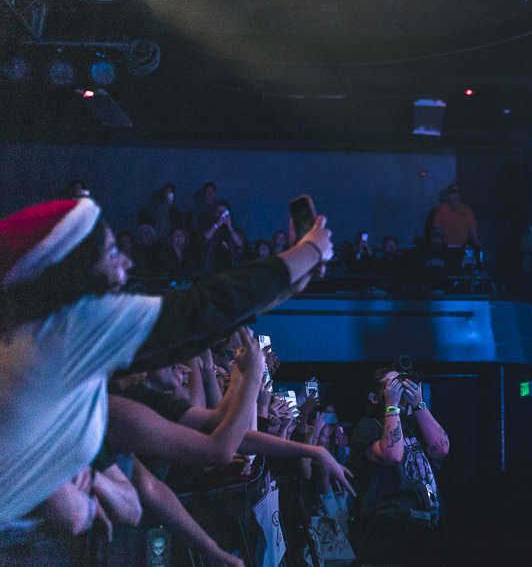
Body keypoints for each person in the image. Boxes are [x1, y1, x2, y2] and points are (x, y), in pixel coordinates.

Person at [0, 196, 337, 526]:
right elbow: (202, 308)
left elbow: (188, 335)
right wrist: (310, 251)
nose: (127, 264)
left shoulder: (56, 343)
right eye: (113, 253)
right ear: (76, 271)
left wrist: (294, 281)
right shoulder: (71, 329)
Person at [349, 369, 450, 566]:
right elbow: (392, 455)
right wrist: (392, 405)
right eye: (392, 384)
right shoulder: (367, 427)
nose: (399, 388)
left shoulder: (414, 423)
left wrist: (418, 404)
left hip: (429, 531)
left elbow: (441, 449)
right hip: (390, 538)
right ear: (374, 397)